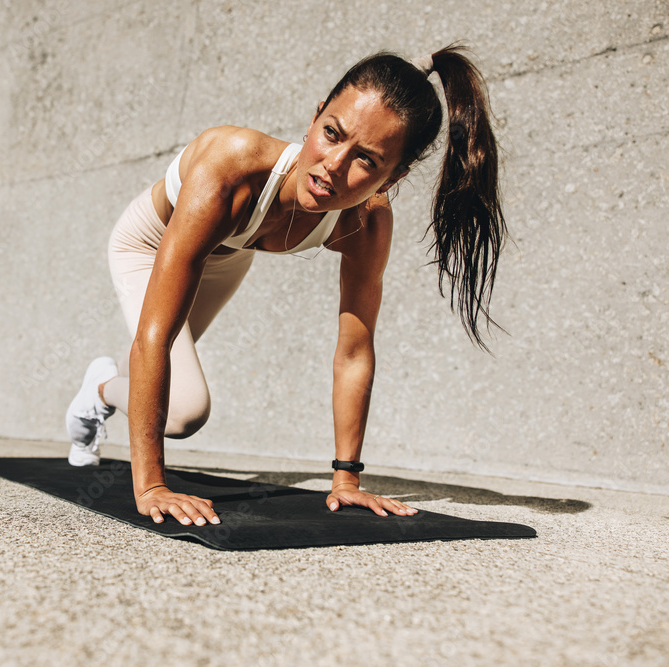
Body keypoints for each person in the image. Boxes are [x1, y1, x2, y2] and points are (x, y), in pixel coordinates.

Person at [65, 45, 507, 528]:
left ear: (394, 176)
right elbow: (155, 335)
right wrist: (150, 485)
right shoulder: (230, 167)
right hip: (150, 243)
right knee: (184, 413)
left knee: (172, 400)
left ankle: (105, 389)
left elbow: (354, 352)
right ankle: (100, 390)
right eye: (331, 133)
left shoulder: (367, 220)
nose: (333, 166)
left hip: (229, 253)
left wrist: (346, 480)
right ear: (316, 116)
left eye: (366, 160)